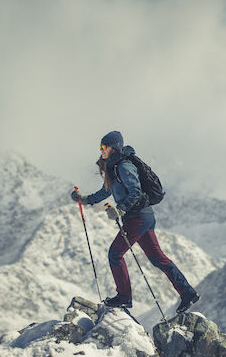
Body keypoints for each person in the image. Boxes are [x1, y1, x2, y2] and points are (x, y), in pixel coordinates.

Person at [71, 130, 200, 313]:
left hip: (138, 217)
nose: (101, 150)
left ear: (114, 147)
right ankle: (188, 293)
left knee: (115, 254)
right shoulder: (113, 168)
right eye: (100, 147)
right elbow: (105, 192)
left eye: (104, 147)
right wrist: (83, 199)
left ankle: (124, 297)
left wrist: (121, 209)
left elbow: (136, 191)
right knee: (158, 258)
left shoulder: (123, 166)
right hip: (141, 217)